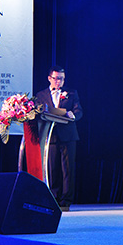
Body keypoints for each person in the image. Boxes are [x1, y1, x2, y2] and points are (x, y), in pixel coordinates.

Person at [35, 67, 83, 209]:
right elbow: (38, 112)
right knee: (52, 168)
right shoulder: (41, 95)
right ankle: (54, 199)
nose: (59, 81)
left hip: (68, 136)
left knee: (68, 169)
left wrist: (73, 115)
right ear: (49, 78)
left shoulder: (71, 93)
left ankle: (66, 201)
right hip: (50, 136)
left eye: (61, 78)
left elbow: (79, 110)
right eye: (56, 78)